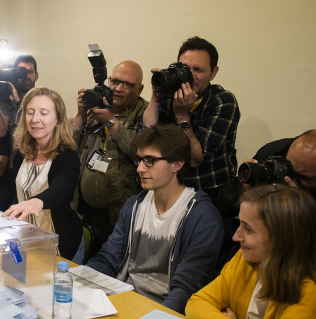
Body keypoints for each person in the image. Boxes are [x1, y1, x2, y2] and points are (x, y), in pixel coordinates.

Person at [86, 125, 223, 314]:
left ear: (177, 164)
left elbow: (185, 288)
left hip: (164, 309)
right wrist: (77, 284)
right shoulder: (134, 205)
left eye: (150, 161)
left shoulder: (202, 218)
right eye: (139, 159)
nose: (140, 168)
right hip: (124, 297)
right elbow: (108, 258)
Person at [186, 185, 316, 318]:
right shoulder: (245, 258)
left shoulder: (313, 294)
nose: (236, 236)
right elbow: (196, 303)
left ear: (283, 238)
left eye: (248, 229)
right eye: (240, 223)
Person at [143, 36, 240, 206]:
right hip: (168, 188)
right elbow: (145, 135)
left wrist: (182, 116)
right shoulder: (171, 94)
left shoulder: (222, 101)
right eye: (184, 68)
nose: (190, 76)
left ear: (213, 72)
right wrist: (156, 96)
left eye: (198, 70)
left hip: (208, 191)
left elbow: (195, 158)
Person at [71, 60, 149, 257]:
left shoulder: (145, 114)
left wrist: (111, 122)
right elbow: (70, 147)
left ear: (139, 89)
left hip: (118, 213)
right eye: (114, 81)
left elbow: (140, 154)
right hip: (83, 208)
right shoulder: (96, 107)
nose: (118, 88)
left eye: (127, 84)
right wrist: (81, 113)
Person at [2, 87, 84, 263]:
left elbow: (60, 188)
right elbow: (14, 195)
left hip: (60, 245)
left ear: (58, 120)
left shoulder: (67, 155)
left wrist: (37, 201)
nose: (35, 119)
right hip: (27, 240)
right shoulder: (21, 153)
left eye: (43, 113)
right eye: (30, 112)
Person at [244, 129, 316, 224]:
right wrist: (249, 193)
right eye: (287, 166)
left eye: (302, 178)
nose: (288, 178)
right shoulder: (274, 152)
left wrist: (304, 212)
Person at [0, 55, 39, 139]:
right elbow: (0, 132)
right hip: (16, 150)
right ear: (15, 75)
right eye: (22, 72)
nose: (26, 76)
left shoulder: (42, 98)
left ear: (36, 76)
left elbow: (36, 129)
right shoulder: (8, 98)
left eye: (29, 72)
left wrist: (18, 102)